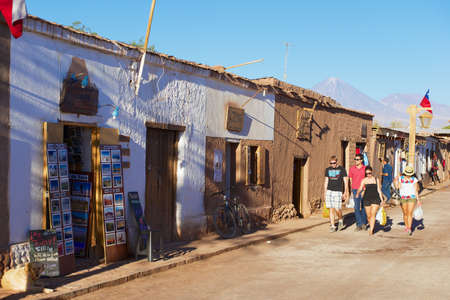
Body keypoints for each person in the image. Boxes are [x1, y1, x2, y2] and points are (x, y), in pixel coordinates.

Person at [356, 166, 385, 236]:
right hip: (367, 198)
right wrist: (357, 193)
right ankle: (371, 223)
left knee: (373, 214)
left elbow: (379, 189)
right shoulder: (364, 180)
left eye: (370, 173)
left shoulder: (376, 179)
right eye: (367, 174)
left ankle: (371, 230)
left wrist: (382, 199)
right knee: (369, 216)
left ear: (372, 172)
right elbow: (360, 188)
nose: (368, 175)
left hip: (375, 198)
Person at [394, 165, 421, 236]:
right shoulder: (401, 178)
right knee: (405, 213)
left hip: (411, 197)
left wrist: (418, 199)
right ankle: (407, 226)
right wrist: (395, 181)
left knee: (410, 213)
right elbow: (398, 187)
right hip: (403, 197)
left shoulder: (414, 179)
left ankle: (409, 228)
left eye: (410, 174)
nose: (409, 175)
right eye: (407, 174)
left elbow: (416, 190)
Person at [324, 155, 348, 232]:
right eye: (331, 163)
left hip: (338, 191)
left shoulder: (342, 169)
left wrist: (345, 192)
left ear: (336, 162)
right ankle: (333, 226)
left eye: (334, 163)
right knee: (331, 209)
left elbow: (345, 182)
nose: (332, 165)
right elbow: (326, 181)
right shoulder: (327, 170)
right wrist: (325, 192)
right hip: (329, 191)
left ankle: (340, 220)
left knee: (338, 209)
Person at [348, 153, 367, 231]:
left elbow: (367, 179)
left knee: (363, 207)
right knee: (356, 207)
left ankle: (364, 223)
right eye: (355, 159)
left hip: (363, 189)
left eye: (357, 159)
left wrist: (365, 189)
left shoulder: (365, 169)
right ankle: (358, 224)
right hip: (355, 190)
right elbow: (351, 180)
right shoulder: (352, 169)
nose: (356, 161)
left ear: (361, 160)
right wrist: (351, 190)